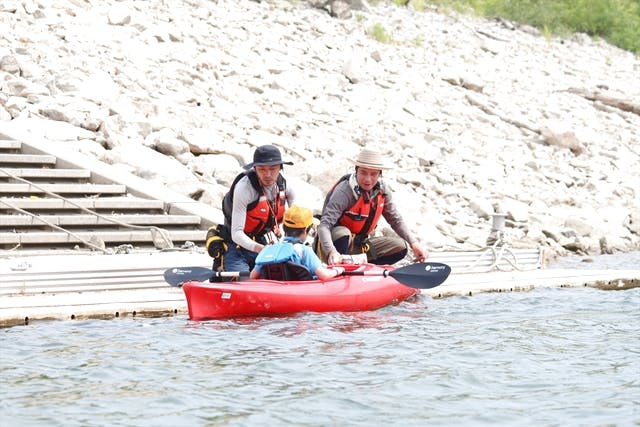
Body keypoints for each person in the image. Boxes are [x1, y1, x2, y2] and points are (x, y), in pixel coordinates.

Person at [317, 148, 428, 266]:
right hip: (335, 245)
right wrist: (331, 251)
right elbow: (324, 225)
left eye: (374, 174)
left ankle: (364, 268)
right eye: (363, 172)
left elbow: (395, 220)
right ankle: (340, 268)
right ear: (356, 171)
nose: (368, 179)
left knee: (400, 247)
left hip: (360, 244)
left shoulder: (382, 190)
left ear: (380, 174)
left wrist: (414, 243)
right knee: (342, 233)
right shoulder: (344, 192)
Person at [220, 144, 297, 273]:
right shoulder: (244, 188)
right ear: (254, 168)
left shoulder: (285, 186)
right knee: (243, 279)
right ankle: (222, 264)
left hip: (262, 240)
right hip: (235, 244)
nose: (267, 174)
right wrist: (260, 249)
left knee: (283, 272)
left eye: (272, 169)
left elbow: (297, 220)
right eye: (261, 169)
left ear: (280, 168)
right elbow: (236, 233)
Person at [250, 206, 345, 280]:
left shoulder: (269, 250)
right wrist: (337, 270)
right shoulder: (304, 251)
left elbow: (253, 276)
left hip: (275, 298)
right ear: (305, 230)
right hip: (301, 298)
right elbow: (324, 275)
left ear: (283, 228)